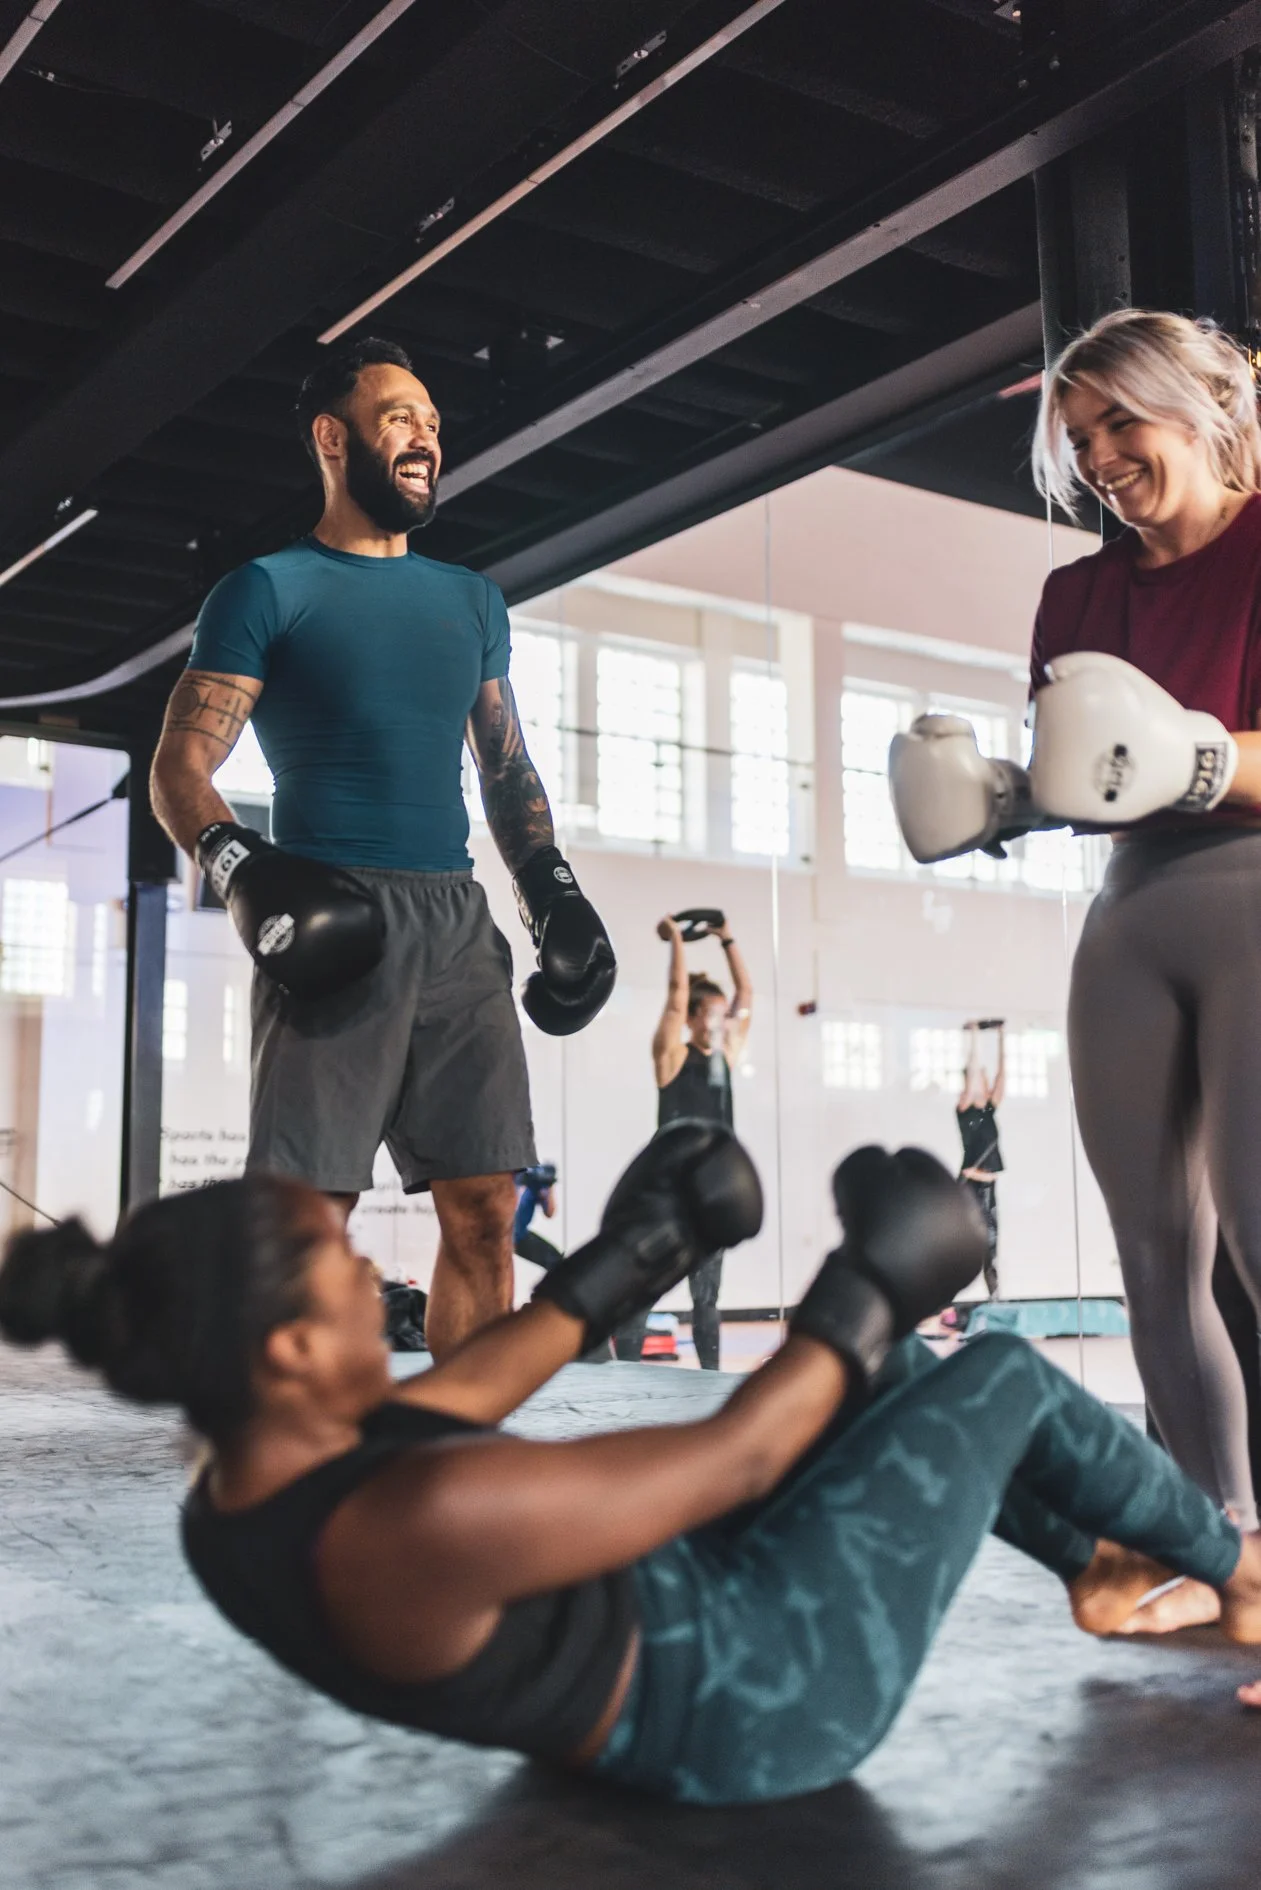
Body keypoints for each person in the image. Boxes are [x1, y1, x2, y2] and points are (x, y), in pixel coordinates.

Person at [5, 1131, 1261, 1803]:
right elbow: (738, 1451)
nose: (366, 1276)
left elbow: (485, 1380)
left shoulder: (244, 1489)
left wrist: (640, 1247)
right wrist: (869, 1281)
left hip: (675, 1648)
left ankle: (1100, 1568)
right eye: (340, 1272)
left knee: (884, 1382)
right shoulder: (410, 1526)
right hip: (759, 1698)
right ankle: (1239, 1573)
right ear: (288, 1348)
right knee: (985, 1375)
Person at [889, 310, 1261, 1596]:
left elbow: (1167, 759)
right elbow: (1086, 780)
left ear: (1202, 406)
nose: (1099, 455)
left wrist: (1199, 754)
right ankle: (1222, 1553)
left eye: (1121, 421)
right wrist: (991, 802)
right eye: (1078, 434)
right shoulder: (1077, 593)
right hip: (1128, 915)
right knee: (1156, 1261)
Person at [149, 336, 614, 1360]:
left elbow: (504, 767)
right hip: (332, 914)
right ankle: (286, 1454)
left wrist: (553, 893)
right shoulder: (265, 589)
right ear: (333, 436)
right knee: (309, 1221)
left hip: (456, 922)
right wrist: (247, 872)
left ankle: (455, 1449)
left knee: (487, 1207)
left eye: (435, 425)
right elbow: (178, 770)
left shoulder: (471, 599)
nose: (426, 438)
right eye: (400, 415)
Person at [615, 912, 753, 1369]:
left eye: (722, 1014)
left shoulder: (727, 1057)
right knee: (642, 1292)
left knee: (707, 1299)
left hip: (710, 1191)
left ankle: (711, 1381)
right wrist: (677, 939)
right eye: (712, 1014)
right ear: (694, 1019)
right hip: (669, 1192)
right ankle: (625, 1379)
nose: (722, 1021)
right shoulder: (672, 1057)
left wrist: (727, 938)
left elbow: (746, 996)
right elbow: (675, 1000)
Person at [955, 1019, 1005, 1299]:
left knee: (990, 1244)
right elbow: (973, 1073)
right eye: (979, 1079)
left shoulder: (989, 1111)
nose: (984, 1081)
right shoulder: (965, 1110)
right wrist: (974, 1037)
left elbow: (1002, 1076)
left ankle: (994, 1295)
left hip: (988, 1187)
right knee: (961, 1239)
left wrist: (1001, 1037)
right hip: (969, 1185)